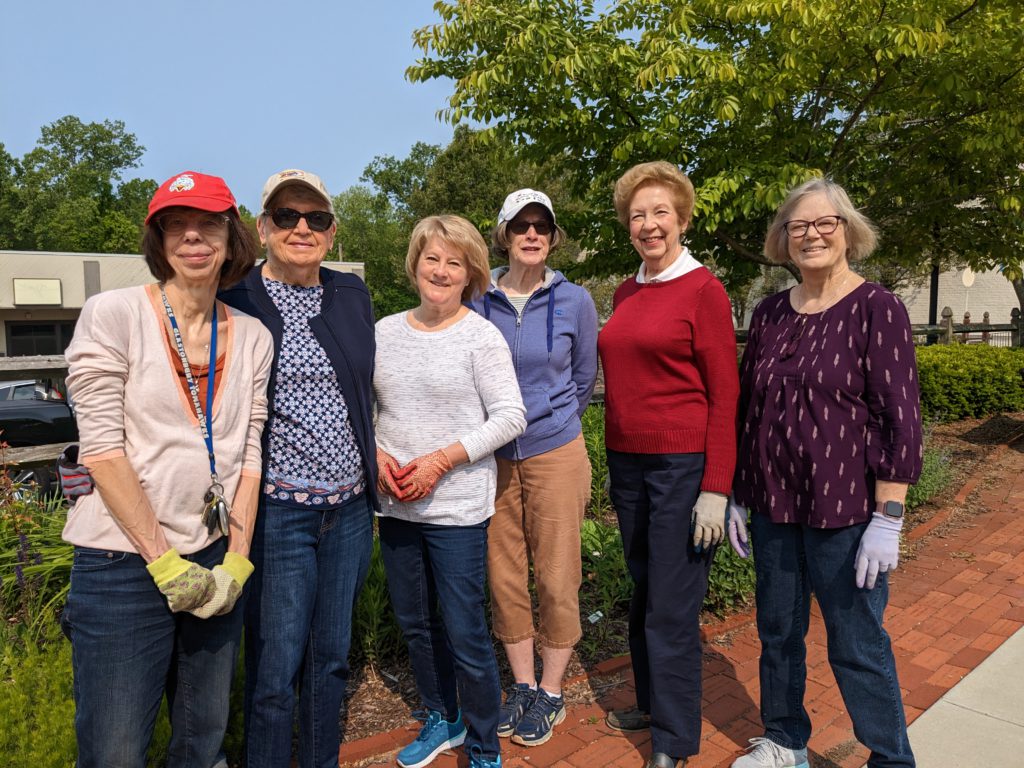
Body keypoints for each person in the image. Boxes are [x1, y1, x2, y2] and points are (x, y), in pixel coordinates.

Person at [60, 170, 273, 767]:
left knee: (203, 739)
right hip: (124, 564)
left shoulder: (253, 336)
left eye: (208, 223)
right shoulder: (114, 314)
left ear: (232, 238)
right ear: (158, 240)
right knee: (116, 750)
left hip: (211, 558)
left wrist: (237, 556)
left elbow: (247, 452)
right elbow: (101, 449)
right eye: (175, 225)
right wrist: (162, 562)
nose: (192, 237)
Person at [726, 178, 922, 768]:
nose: (811, 235)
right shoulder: (768, 314)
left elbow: (900, 417)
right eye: (798, 226)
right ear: (783, 239)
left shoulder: (876, 308)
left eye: (824, 223)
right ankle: (785, 740)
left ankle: (890, 758)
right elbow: (749, 408)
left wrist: (890, 515)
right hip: (772, 507)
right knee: (777, 633)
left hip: (847, 511)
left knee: (857, 643)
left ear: (847, 231)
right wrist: (738, 493)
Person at [218, 169, 379, 768]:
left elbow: (367, 391)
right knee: (275, 663)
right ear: (262, 229)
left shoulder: (351, 295)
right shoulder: (236, 297)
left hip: (351, 510)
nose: (301, 228)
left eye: (316, 219)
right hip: (279, 513)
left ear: (332, 234)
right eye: (286, 217)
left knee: (331, 656)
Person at [597, 161, 740, 768]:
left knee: (673, 605)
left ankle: (675, 740)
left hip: (682, 468)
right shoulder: (626, 292)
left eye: (660, 213)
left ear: (681, 219)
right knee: (643, 590)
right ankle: (653, 703)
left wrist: (716, 488)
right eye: (637, 215)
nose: (649, 225)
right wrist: (614, 457)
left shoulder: (704, 290)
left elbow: (726, 394)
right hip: (629, 465)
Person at [373, 215, 526, 768]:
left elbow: (512, 416)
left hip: (457, 509)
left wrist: (444, 458)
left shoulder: (480, 336)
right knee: (415, 622)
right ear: (415, 265)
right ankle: (444, 718)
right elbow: (363, 408)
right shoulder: (384, 331)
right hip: (395, 506)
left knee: (465, 630)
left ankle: (484, 745)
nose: (440, 270)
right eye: (431, 259)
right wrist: (377, 452)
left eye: (454, 262)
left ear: (471, 274)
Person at [469, 189, 598, 746]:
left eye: (541, 226)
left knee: (557, 573)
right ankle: (520, 685)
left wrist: (545, 418)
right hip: (492, 456)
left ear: (552, 236)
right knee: (503, 575)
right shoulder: (477, 299)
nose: (531, 234)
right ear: (502, 234)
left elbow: (584, 378)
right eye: (520, 225)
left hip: (555, 451)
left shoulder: (576, 301)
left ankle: (551, 691)